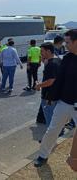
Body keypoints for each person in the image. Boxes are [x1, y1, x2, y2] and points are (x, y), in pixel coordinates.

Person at [34, 29, 77, 167]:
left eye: (68, 42)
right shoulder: (68, 58)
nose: (66, 45)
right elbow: (59, 80)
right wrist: (51, 97)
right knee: (52, 130)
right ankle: (43, 155)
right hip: (64, 103)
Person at [35, 42, 61, 127]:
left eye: (42, 51)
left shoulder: (51, 64)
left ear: (48, 51)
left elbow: (50, 81)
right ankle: (58, 133)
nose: (40, 53)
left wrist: (39, 85)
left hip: (49, 97)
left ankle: (51, 138)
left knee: (50, 121)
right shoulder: (57, 60)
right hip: (57, 95)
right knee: (56, 118)